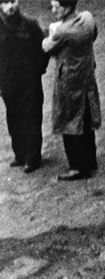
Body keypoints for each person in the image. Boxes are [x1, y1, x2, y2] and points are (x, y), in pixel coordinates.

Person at [42, 0, 100, 180]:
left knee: (69, 121)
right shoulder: (88, 18)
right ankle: (90, 160)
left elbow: (47, 47)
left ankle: (77, 166)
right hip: (87, 76)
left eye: (55, 6)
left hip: (68, 81)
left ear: (66, 8)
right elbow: (93, 34)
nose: (53, 10)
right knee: (87, 119)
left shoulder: (62, 31)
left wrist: (51, 31)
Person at [0, 0, 46, 173]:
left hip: (29, 80)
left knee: (32, 116)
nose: (10, 6)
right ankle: (20, 154)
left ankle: (33, 157)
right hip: (8, 81)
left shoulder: (30, 25)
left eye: (13, 1)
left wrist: (38, 70)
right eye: (5, 3)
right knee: (14, 117)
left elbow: (43, 49)